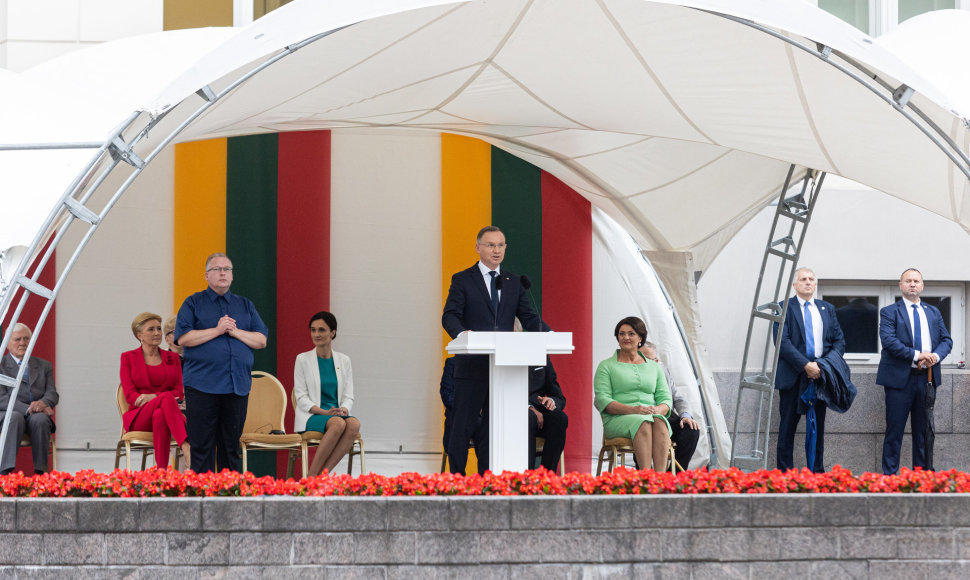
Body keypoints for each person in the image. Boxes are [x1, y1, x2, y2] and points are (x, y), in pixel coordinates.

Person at [441, 225, 541, 474]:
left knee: (493, 428)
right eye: (490, 245)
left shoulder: (514, 282)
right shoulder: (462, 279)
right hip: (472, 365)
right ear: (478, 248)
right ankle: (456, 480)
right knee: (462, 427)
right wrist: (463, 334)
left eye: (501, 245)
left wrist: (547, 333)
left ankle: (489, 479)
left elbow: (528, 317)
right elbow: (450, 316)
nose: (496, 250)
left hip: (503, 367)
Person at [174, 253, 268, 473]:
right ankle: (202, 500)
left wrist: (234, 332)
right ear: (207, 275)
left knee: (231, 447)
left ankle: (229, 499)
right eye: (217, 269)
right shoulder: (193, 302)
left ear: (232, 276)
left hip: (236, 386)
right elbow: (184, 338)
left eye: (227, 269)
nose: (223, 272)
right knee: (202, 447)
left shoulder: (244, 305)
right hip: (202, 385)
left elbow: (261, 340)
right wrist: (217, 330)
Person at [877, 268, 952, 475]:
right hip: (899, 380)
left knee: (923, 432)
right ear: (901, 285)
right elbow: (889, 342)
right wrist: (918, 355)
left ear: (922, 285)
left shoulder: (933, 312)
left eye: (916, 281)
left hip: (927, 379)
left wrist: (934, 357)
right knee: (894, 431)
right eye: (908, 281)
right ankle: (890, 477)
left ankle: (923, 476)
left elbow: (946, 340)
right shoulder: (889, 311)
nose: (912, 284)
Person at [774, 267, 846, 472]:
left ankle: (817, 472)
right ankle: (784, 474)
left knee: (817, 428)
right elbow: (782, 342)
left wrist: (823, 366)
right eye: (803, 279)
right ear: (795, 285)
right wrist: (806, 365)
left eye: (811, 279)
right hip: (793, 376)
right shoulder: (783, 308)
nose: (808, 282)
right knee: (787, 427)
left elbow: (839, 342)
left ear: (815, 284)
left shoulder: (827, 309)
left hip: (820, 377)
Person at [594, 316, 671, 471]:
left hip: (650, 416)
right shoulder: (606, 366)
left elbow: (666, 399)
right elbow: (603, 400)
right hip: (617, 419)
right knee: (643, 422)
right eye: (621, 334)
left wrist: (658, 410)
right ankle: (645, 476)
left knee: (660, 421)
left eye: (631, 333)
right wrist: (634, 410)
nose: (626, 337)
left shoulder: (654, 367)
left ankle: (660, 480)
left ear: (640, 338)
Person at [120, 312, 190, 470]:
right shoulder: (128, 358)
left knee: (160, 414)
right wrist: (160, 397)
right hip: (139, 416)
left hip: (166, 414)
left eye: (159, 328)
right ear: (140, 335)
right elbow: (130, 396)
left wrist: (154, 397)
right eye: (151, 329)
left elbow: (179, 392)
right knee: (165, 398)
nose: (157, 333)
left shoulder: (172, 359)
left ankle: (161, 472)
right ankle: (185, 446)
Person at [293, 311, 360, 476]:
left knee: (353, 424)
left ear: (333, 332)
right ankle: (310, 477)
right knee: (338, 423)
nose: (316, 334)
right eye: (313, 330)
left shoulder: (344, 360)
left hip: (336, 415)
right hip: (312, 415)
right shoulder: (302, 359)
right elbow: (301, 398)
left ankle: (322, 476)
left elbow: (348, 395)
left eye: (321, 330)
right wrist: (325, 412)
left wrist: (344, 408)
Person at [0, 323, 57, 474]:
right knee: (15, 417)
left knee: (40, 420)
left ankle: (41, 473)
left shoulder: (44, 365)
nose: (23, 343)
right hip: (8, 414)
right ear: (6, 343)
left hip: (36, 415)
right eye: (17, 339)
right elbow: (2, 399)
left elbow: (52, 393)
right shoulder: (1, 365)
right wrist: (28, 409)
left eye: (26, 339)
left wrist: (43, 403)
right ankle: (4, 473)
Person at [641, 341, 699, 470]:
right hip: (643, 416)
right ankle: (644, 476)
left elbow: (678, 398)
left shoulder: (662, 370)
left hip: (665, 414)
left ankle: (674, 476)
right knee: (642, 429)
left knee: (691, 430)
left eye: (652, 360)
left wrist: (685, 416)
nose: (648, 363)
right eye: (642, 359)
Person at [528, 357, 568, 472]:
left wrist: (551, 401)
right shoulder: (508, 353)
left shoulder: (542, 355)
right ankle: (526, 479)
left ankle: (546, 477)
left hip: (540, 413)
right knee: (529, 417)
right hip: (515, 412)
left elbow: (558, 396)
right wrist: (529, 408)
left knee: (560, 418)